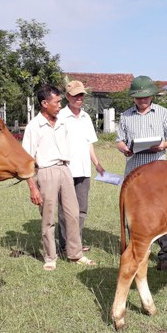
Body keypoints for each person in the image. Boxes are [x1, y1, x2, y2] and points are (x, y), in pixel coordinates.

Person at [22, 85, 96, 271]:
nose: (60, 105)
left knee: (72, 214)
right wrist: (32, 186)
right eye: (56, 102)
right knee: (48, 217)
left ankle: (75, 253)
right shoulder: (34, 126)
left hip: (65, 169)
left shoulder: (62, 122)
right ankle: (50, 256)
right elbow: (26, 160)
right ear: (44, 103)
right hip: (46, 172)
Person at [116, 75, 167, 270]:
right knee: (134, 212)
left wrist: (162, 145)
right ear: (133, 97)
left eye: (146, 97)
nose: (142, 101)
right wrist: (124, 148)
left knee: (162, 214)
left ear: (152, 96)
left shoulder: (163, 113)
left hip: (158, 170)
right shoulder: (126, 116)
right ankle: (135, 250)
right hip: (134, 170)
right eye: (138, 98)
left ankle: (165, 253)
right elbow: (119, 140)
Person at [56, 80, 105, 254]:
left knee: (81, 209)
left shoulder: (86, 117)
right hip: (66, 169)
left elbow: (89, 143)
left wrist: (97, 164)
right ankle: (64, 245)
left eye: (81, 95)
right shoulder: (60, 116)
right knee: (65, 210)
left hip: (84, 170)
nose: (79, 98)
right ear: (67, 96)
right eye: (75, 95)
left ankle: (76, 242)